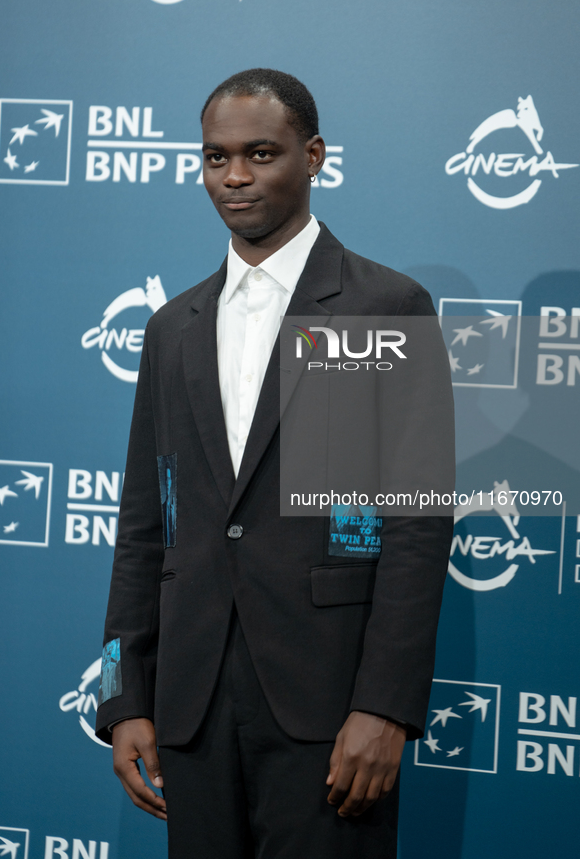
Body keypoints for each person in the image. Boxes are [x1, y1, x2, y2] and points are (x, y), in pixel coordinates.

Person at [95, 68, 454, 859]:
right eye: (215, 157)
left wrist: (385, 708)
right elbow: (142, 526)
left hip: (327, 708)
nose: (234, 177)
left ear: (314, 155)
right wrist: (123, 695)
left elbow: (416, 525)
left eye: (259, 153)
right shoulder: (169, 326)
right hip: (188, 708)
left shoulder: (385, 306)